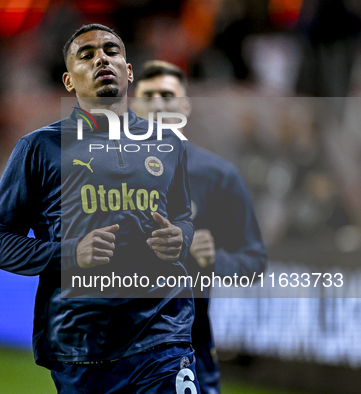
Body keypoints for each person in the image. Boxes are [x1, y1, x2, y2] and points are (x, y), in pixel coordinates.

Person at [0, 24, 200, 393]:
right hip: (83, 349)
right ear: (69, 81)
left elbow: (182, 218)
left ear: (129, 71)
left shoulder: (167, 144)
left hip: (163, 338)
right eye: (86, 54)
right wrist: (71, 254)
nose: (102, 58)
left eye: (112, 51)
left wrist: (180, 237)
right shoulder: (39, 149)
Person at [133, 60, 267, 394]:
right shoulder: (100, 170)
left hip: (184, 349)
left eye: (168, 95)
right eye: (148, 96)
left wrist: (212, 260)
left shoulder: (218, 176)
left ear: (184, 106)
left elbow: (254, 261)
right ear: (133, 106)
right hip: (113, 347)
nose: (158, 104)